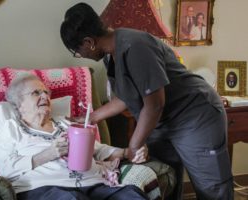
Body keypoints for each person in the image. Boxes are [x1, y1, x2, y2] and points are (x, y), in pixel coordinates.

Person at [60, 2, 234, 200]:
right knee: (165, 178)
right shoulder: (110, 56)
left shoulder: (136, 46)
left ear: (89, 42)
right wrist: (91, 117)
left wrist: (134, 146)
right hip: (163, 121)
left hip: (195, 116)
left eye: (77, 51)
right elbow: (125, 97)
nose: (80, 56)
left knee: (212, 189)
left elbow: (154, 104)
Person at [0, 74, 150, 200]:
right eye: (36, 93)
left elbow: (97, 149)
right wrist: (49, 154)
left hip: (94, 184)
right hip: (45, 189)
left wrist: (128, 152)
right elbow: (6, 170)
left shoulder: (66, 124)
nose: (45, 97)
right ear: (19, 103)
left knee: (132, 195)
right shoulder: (11, 128)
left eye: (46, 92)